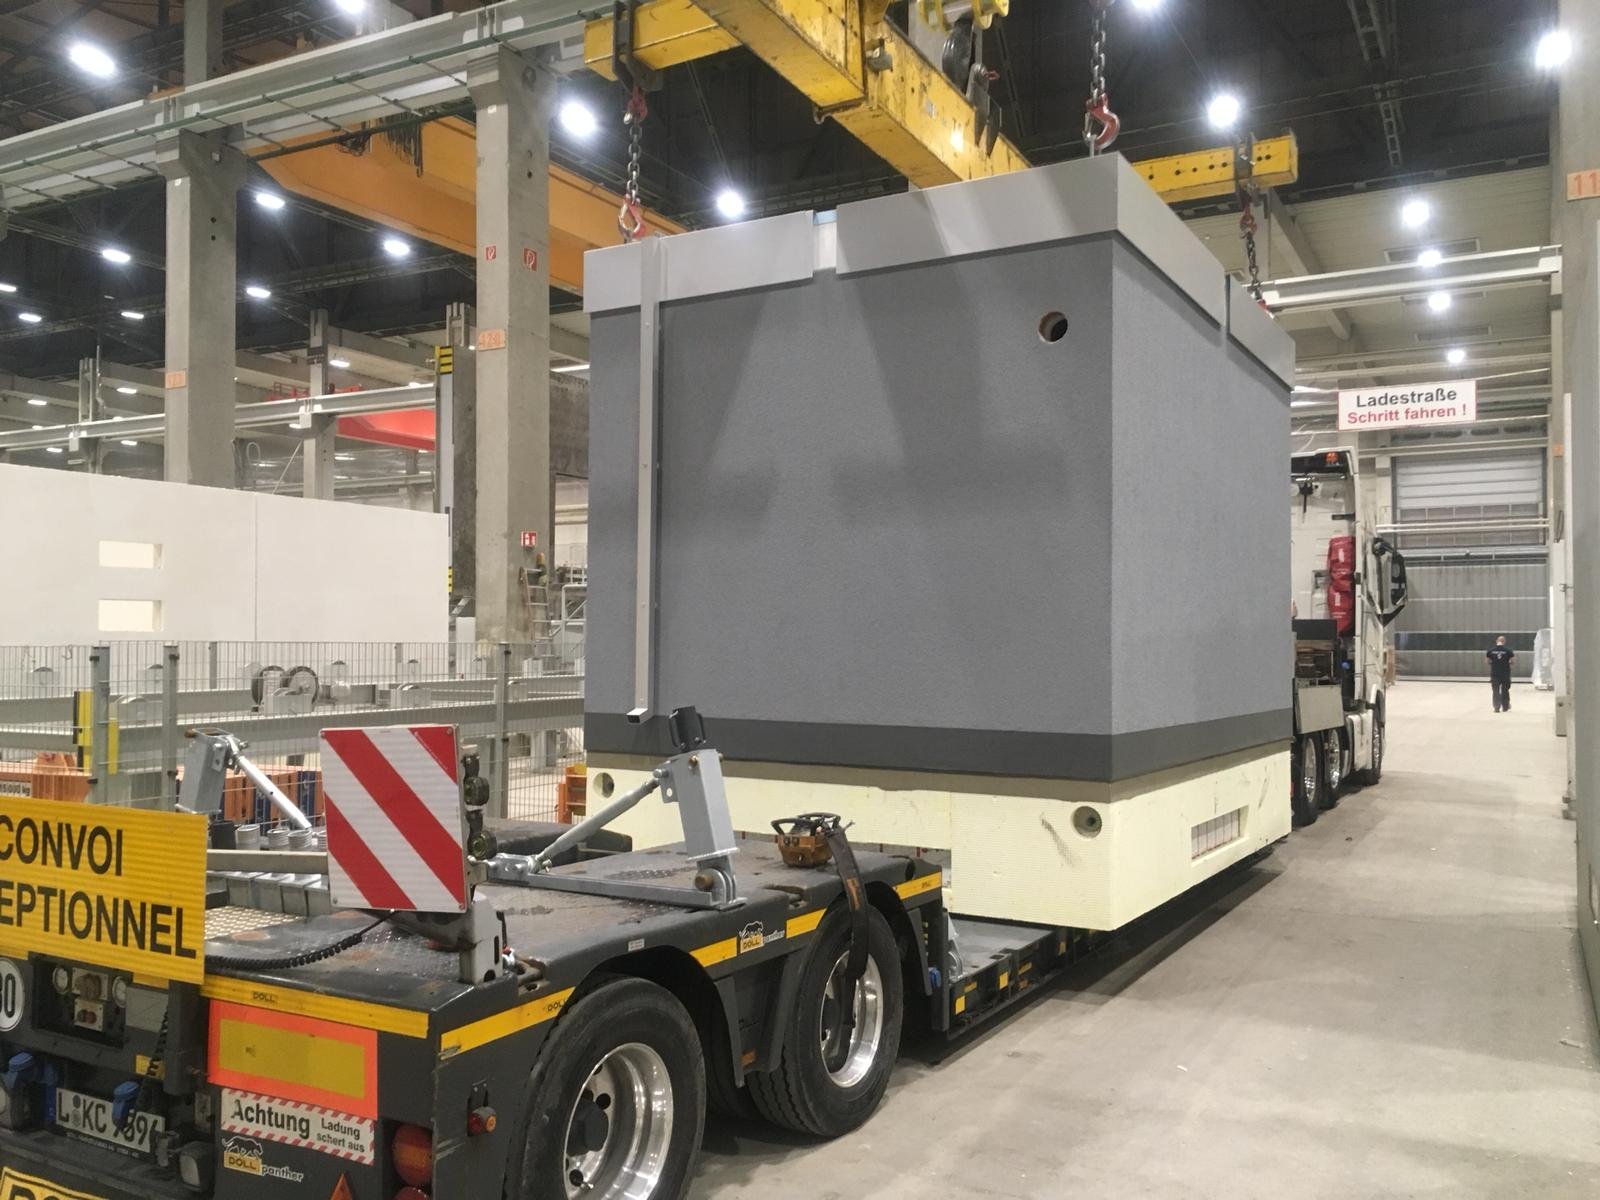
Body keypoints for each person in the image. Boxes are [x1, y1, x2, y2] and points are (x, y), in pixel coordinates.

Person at [1486, 636, 1516, 713]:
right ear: (1504, 641)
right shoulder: (1508, 651)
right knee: (1505, 690)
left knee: (1495, 690)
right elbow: (1513, 661)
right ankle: (1505, 707)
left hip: (1495, 674)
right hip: (1505, 673)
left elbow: (1487, 661)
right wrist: (1506, 662)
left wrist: (1495, 663)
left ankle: (1496, 707)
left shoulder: (1490, 651)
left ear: (1497, 641)